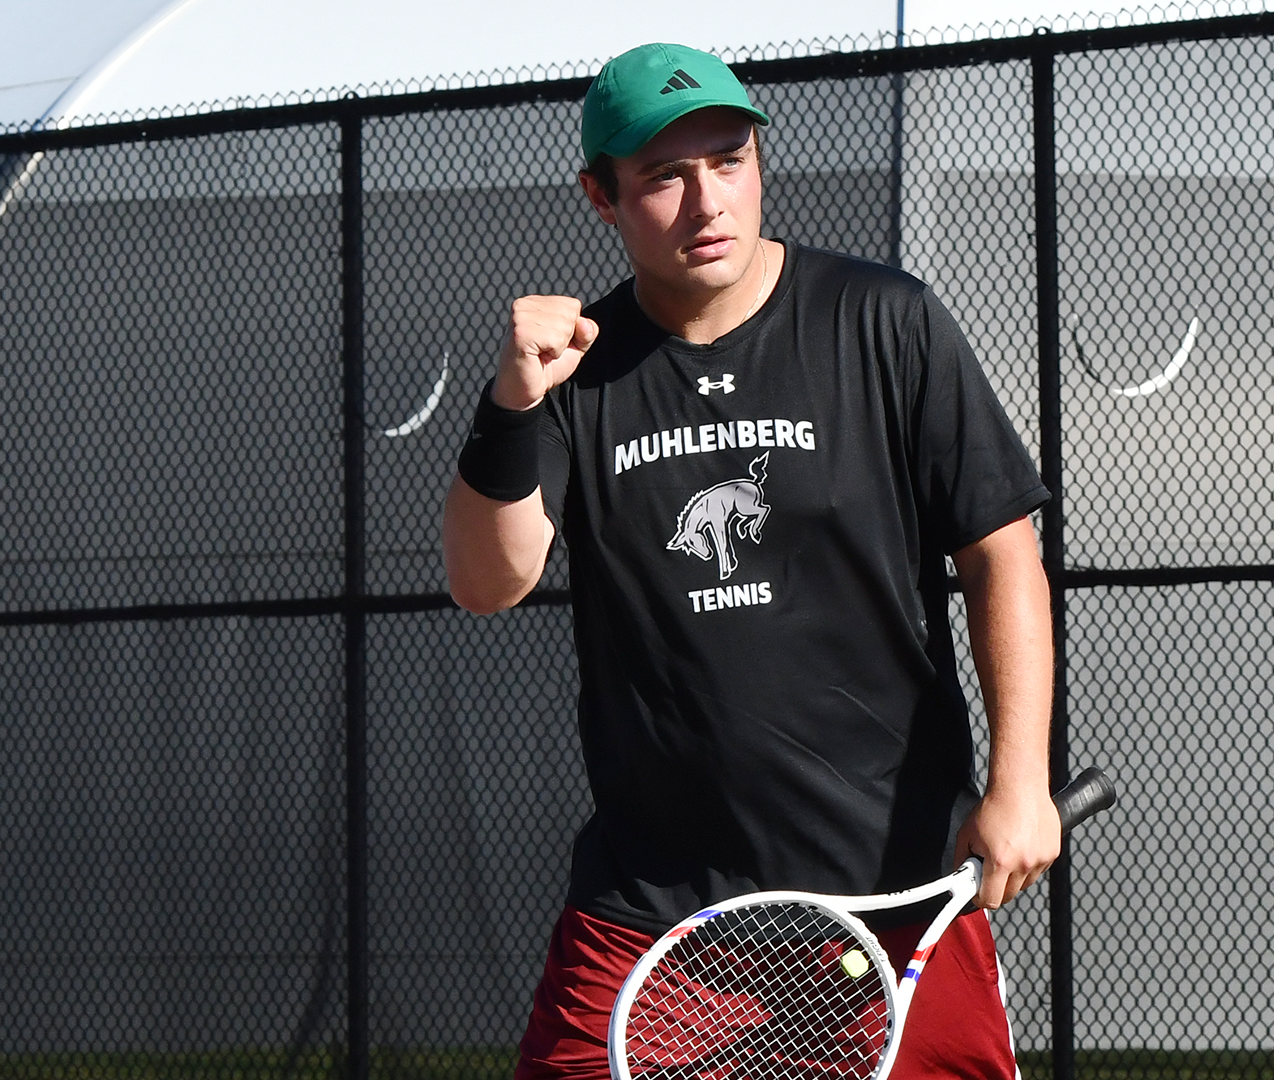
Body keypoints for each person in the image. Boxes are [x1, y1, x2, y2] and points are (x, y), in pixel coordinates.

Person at [441, 41, 1058, 1080]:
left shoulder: (884, 321)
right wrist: (510, 406)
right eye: (664, 177)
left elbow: (1004, 558)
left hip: (894, 897)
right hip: (657, 917)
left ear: (761, 161)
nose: (706, 200)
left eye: (727, 160)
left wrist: (1021, 782)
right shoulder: (574, 376)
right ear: (601, 196)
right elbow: (485, 582)